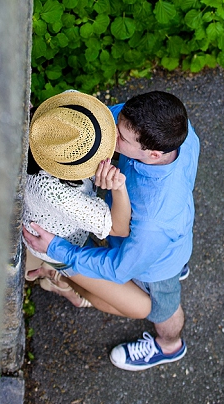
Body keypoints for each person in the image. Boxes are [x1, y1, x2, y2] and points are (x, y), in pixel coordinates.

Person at [23, 90, 200, 371]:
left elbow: (119, 269)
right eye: (116, 123)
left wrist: (57, 250)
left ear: (153, 154)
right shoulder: (177, 129)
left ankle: (169, 346)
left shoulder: (154, 220)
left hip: (153, 263)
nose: (110, 135)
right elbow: (102, 124)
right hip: (167, 230)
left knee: (163, 308)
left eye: (119, 138)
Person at [22, 90, 151, 319]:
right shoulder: (57, 191)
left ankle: (63, 277)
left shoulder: (53, 130)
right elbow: (119, 229)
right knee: (141, 308)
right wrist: (118, 187)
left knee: (116, 288)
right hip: (58, 246)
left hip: (63, 226)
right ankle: (57, 276)